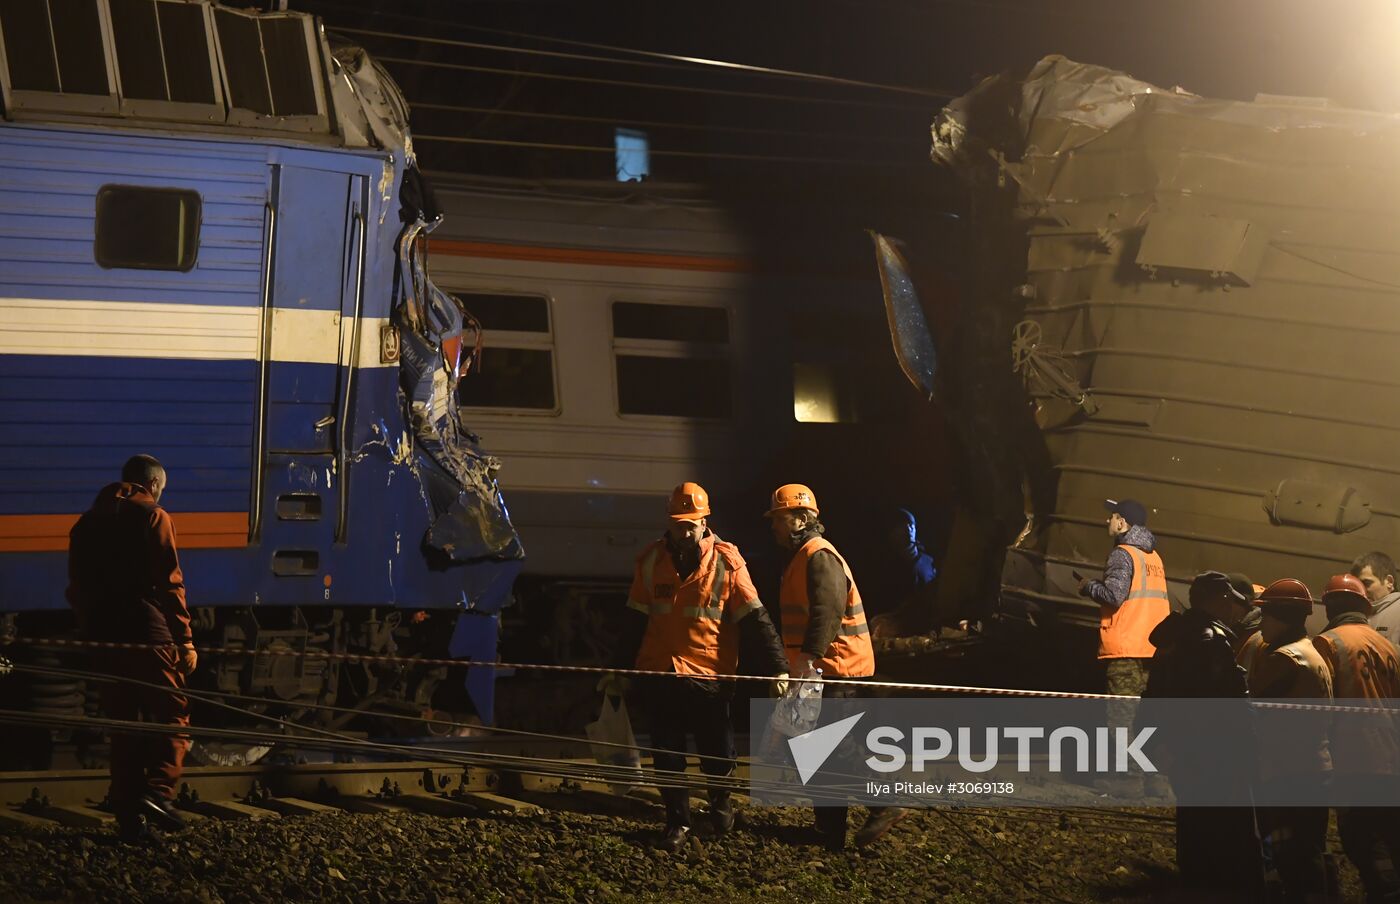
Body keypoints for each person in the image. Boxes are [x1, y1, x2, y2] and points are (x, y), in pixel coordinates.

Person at [611, 482, 789, 853]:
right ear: (670, 523)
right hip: (661, 674)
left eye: (691, 524)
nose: (685, 531)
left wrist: (778, 668)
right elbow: (632, 621)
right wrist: (618, 671)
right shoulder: (650, 562)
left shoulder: (727, 562)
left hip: (709, 677)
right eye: (679, 524)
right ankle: (678, 823)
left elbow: (756, 619)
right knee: (667, 754)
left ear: (705, 521)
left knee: (717, 752)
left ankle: (721, 808)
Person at [766, 483, 905, 850]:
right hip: (823, 669)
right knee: (812, 750)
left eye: (779, 519)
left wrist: (807, 659)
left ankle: (883, 802)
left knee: (830, 748)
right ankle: (829, 829)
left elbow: (828, 613)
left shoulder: (818, 556)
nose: (774, 527)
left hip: (833, 668)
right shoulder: (805, 556)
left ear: (801, 519)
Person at [66, 454, 195, 843]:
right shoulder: (155, 517)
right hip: (144, 626)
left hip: (102, 631)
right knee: (173, 713)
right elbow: (170, 584)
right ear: (153, 485)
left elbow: (76, 587)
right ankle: (158, 793)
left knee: (124, 725)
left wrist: (90, 627)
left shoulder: (86, 524)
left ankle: (130, 823)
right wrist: (184, 639)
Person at [1139, 571, 1263, 897]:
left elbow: (1154, 693)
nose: (1234, 610)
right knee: (1218, 824)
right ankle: (1212, 887)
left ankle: (1195, 880)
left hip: (1182, 747)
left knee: (1193, 816)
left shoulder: (1177, 636)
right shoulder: (1210, 641)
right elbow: (1222, 702)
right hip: (1211, 750)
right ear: (1219, 599)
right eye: (1230, 602)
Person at [1312, 573, 1400, 903]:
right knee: (1392, 839)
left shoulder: (1327, 643)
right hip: (1393, 762)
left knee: (1365, 844)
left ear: (1329, 605)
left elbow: (1318, 707)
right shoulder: (1389, 647)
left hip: (1354, 762)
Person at [1247, 579, 1333, 904]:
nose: (1261, 623)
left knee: (1290, 855)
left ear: (1281, 616)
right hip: (1313, 769)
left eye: (1265, 615)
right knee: (1309, 850)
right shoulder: (1311, 654)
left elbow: (1251, 710)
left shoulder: (1285, 659)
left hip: (1288, 774)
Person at [1078, 498, 1170, 793]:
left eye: (1111, 517)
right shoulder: (1153, 557)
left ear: (1122, 522)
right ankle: (1156, 779)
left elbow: (1114, 596)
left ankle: (1127, 780)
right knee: (1147, 721)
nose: (1107, 522)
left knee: (1120, 719)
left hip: (1127, 648)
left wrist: (1088, 587)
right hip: (1153, 649)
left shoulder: (1122, 554)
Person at [868, 509, 938, 637]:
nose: (908, 529)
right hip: (896, 632)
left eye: (911, 525)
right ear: (892, 533)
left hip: (927, 629)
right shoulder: (885, 567)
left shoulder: (929, 562)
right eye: (902, 525)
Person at [1350, 551, 1400, 640]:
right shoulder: (1353, 614)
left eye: (1366, 583)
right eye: (1357, 584)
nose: (1361, 589)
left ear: (1389, 582)